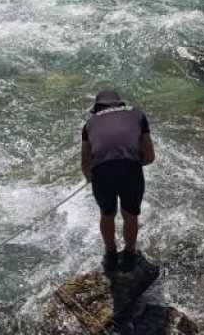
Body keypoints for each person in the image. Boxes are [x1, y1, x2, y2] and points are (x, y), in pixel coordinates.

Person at [80, 89, 155, 272]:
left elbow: (85, 162)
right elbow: (150, 156)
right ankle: (129, 255)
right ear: (119, 103)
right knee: (130, 214)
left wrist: (91, 178)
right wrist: (132, 165)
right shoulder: (137, 115)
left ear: (98, 107)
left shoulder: (89, 124)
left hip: (102, 171)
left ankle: (110, 255)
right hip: (130, 169)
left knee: (107, 214)